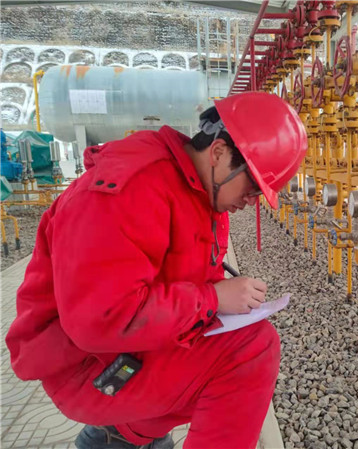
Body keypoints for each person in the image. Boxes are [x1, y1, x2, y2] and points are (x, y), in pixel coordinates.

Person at [5, 92, 307, 449]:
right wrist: (212, 298)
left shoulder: (197, 190)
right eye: (253, 186)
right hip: (83, 366)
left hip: (121, 351)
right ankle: (122, 432)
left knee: (232, 347)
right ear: (219, 152)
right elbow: (99, 320)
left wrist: (222, 299)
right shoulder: (129, 190)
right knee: (252, 349)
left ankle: (122, 437)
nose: (251, 201)